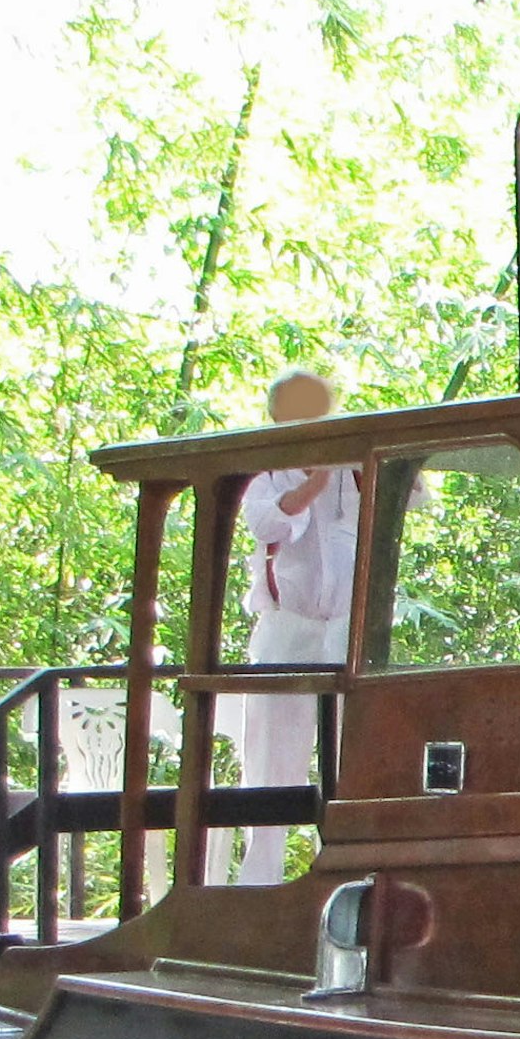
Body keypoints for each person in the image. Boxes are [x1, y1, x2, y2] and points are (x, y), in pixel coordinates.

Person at [230, 365, 356, 886]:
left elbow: (411, 495)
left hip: (346, 630)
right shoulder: (265, 473)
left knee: (355, 751)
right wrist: (313, 482)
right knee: (273, 756)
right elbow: (267, 523)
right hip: (288, 629)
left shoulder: (355, 465)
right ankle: (262, 877)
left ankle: (350, 866)